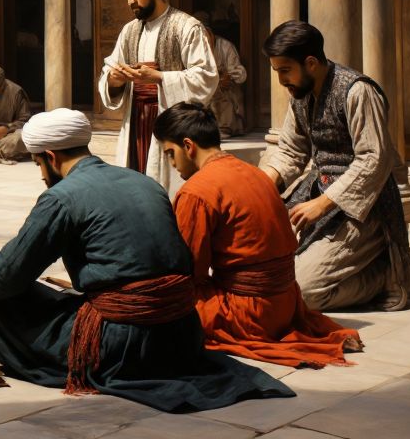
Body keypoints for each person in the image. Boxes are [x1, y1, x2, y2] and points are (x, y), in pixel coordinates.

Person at [0, 108, 293, 412]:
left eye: (38, 164)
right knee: (53, 299)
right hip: (182, 333)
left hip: (123, 344)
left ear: (49, 157)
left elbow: (5, 278)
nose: (41, 175)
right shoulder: (144, 182)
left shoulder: (60, 197)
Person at [153, 102, 361, 367]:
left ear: (188, 146)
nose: (172, 163)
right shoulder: (257, 174)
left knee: (162, 303)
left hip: (250, 315)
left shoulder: (197, 191)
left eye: (170, 153)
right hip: (287, 305)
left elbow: (188, 272)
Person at [260, 20, 410, 311]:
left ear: (310, 63)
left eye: (285, 70)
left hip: (365, 209)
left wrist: (323, 204)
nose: (281, 80)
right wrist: (260, 185)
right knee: (264, 269)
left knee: (300, 293)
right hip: (317, 194)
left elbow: (374, 159)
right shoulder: (300, 93)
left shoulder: (357, 91)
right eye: (277, 71)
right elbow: (292, 149)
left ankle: (384, 277)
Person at [97, 0, 218, 193]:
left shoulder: (187, 27)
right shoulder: (129, 30)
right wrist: (114, 80)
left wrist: (160, 77)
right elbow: (109, 70)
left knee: (168, 191)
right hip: (136, 121)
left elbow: (206, 77)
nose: (130, 0)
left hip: (172, 122)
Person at [193, 13, 248, 138]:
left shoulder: (225, 46)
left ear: (210, 32)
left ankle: (225, 127)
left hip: (224, 92)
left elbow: (240, 73)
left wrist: (228, 77)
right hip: (204, 90)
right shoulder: (194, 49)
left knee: (223, 92)